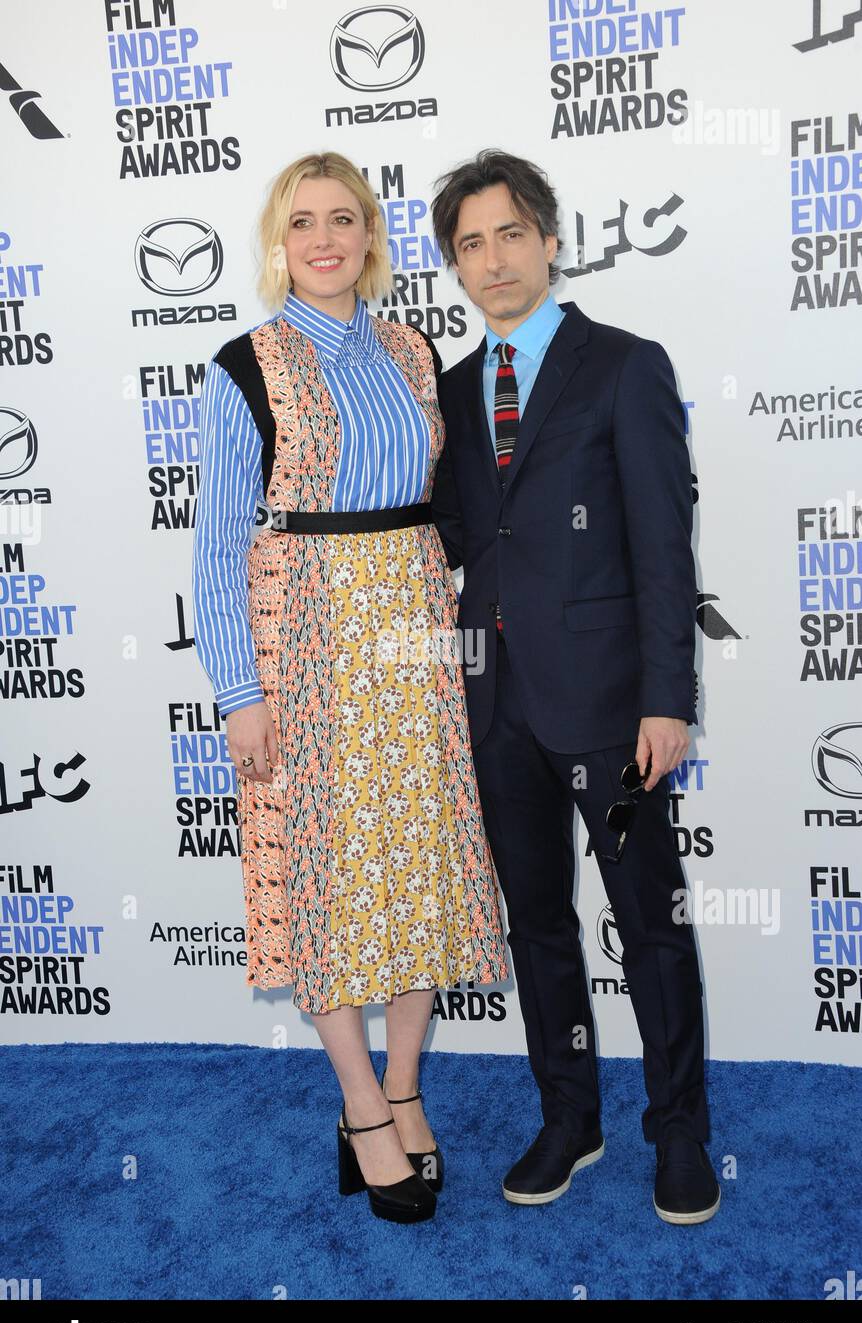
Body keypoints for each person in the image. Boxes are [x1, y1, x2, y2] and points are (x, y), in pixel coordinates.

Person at [192, 151, 508, 1224]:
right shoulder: (245, 364)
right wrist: (239, 690)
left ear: (370, 236)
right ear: (279, 244)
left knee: (416, 859)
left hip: (414, 629)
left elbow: (443, 506)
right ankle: (361, 1104)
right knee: (323, 877)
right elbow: (217, 546)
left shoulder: (415, 351)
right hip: (303, 637)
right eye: (302, 223)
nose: (324, 239)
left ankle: (408, 1083)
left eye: (343, 219)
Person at [429, 149, 719, 1224]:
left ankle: (678, 1129)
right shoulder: (452, 391)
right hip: (494, 697)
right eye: (470, 244)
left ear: (550, 240)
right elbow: (457, 536)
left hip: (610, 702)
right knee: (538, 925)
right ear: (453, 267)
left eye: (510, 234)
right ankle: (570, 1115)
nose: (494, 259)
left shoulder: (623, 364)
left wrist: (667, 698)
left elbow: (661, 543)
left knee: (649, 921)